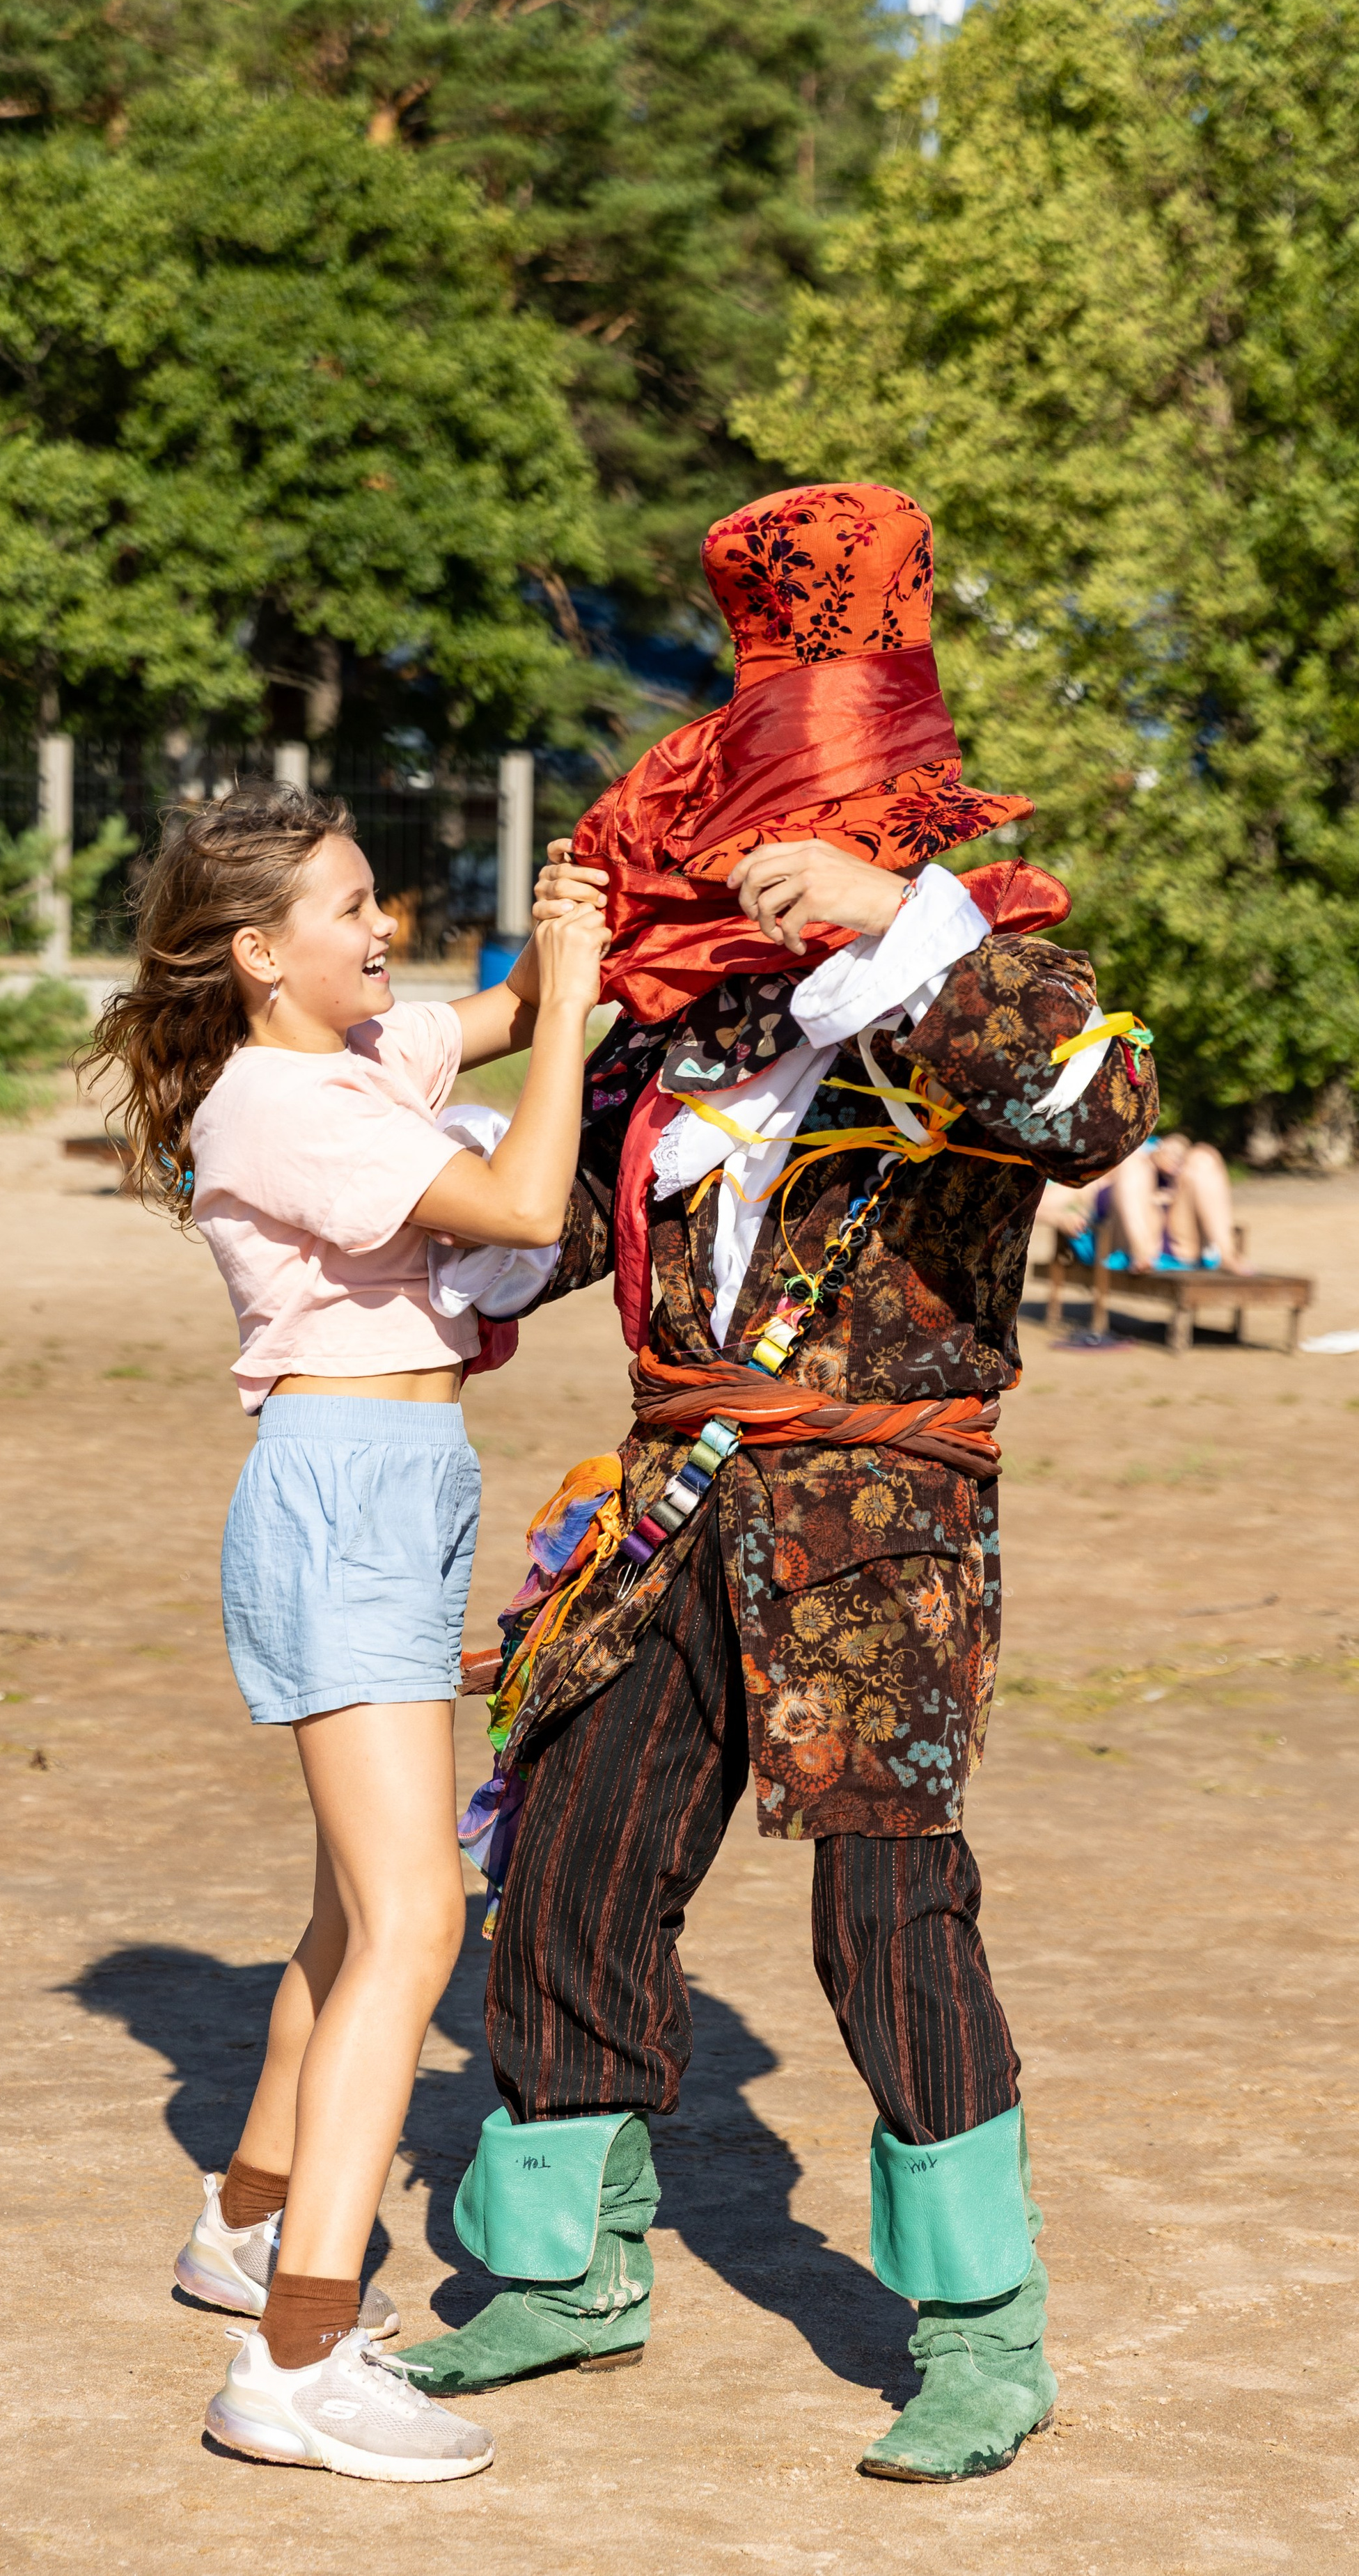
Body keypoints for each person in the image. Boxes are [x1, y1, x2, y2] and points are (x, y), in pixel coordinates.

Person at [393, 483, 1160, 2483]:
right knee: (568, 1865)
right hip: (660, 1513)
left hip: (879, 1535)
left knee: (887, 1918)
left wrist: (896, 932)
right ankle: (567, 2269)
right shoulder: (692, 1010)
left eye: (800, 819)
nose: (765, 861)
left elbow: (1102, 1110)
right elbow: (531, 1222)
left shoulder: (993, 970)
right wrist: (334, 1154)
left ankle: (983, 2326)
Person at [86, 779, 607, 2485]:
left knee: (346, 1909)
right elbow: (528, 1205)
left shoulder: (360, 1056)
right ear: (258, 952)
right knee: (412, 1918)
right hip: (343, 1488)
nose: (383, 926)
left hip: (393, 1477)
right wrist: (575, 1018)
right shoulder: (278, 1103)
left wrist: (583, 913)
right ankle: (295, 2354)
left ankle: (244, 2226)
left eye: (380, 897)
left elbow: (517, 997)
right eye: (351, 906)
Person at [1037, 1133, 1248, 1273]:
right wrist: (1060, 1219)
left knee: (1203, 1158)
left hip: (1183, 1240)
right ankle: (1141, 1253)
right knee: (1132, 1165)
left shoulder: (1149, 1151)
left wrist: (1169, 1149)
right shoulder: (1089, 1180)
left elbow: (1179, 1143)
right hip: (1133, 1244)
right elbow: (1035, 1207)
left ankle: (1226, 1253)